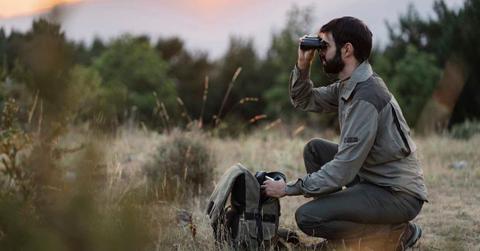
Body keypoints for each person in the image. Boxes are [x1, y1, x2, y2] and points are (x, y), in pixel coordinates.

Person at [261, 16, 428, 250]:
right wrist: (302, 64)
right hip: (372, 178)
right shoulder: (349, 85)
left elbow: (343, 169)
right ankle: (338, 241)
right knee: (315, 149)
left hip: (397, 194)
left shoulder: (366, 97)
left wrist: (288, 188)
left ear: (347, 50)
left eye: (325, 46)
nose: (320, 52)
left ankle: (394, 234)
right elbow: (304, 99)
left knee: (308, 217)